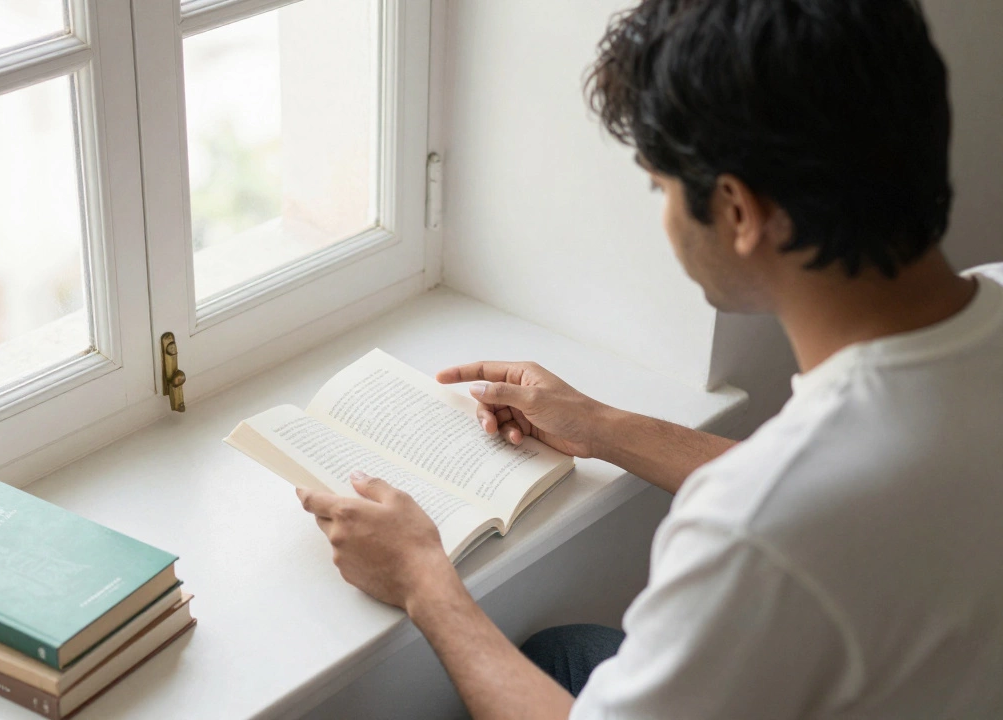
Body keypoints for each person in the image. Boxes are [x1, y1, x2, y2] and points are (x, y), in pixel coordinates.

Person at [295, 0, 1003, 717]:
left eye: (659, 186)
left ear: (736, 211)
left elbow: (795, 507)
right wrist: (599, 425)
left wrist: (424, 581)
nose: (662, 212)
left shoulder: (753, 532)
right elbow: (852, 493)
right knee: (562, 653)